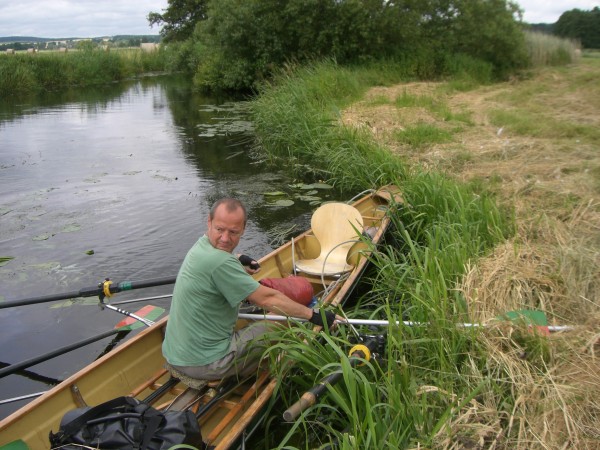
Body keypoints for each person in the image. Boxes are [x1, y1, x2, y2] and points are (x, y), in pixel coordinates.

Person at [162, 198, 340, 381]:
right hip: (207, 364)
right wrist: (313, 315)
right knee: (283, 320)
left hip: (175, 354)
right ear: (209, 222)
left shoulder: (201, 246)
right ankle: (261, 368)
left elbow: (220, 260)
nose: (224, 238)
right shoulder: (220, 262)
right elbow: (269, 298)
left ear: (243, 229)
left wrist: (239, 258)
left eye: (233, 232)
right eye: (219, 229)